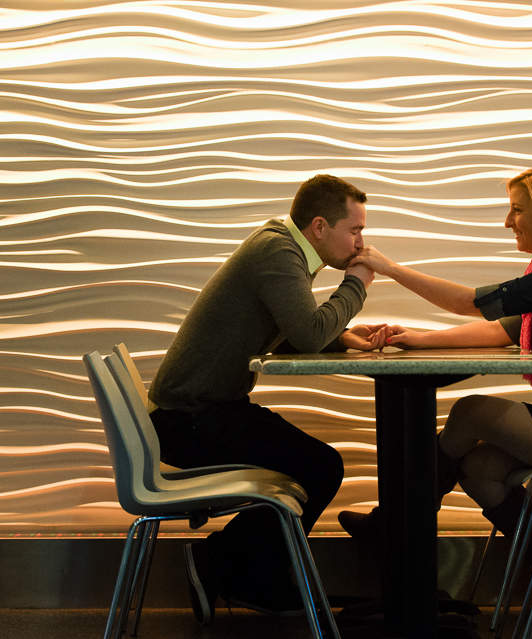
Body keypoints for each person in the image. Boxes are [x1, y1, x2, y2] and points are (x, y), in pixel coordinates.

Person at [339, 165, 532, 619]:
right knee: (481, 466)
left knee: (470, 413)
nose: (508, 221)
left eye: (517, 210)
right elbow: (500, 330)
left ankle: (395, 526)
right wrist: (415, 337)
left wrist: (387, 267)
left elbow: (471, 303)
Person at [148, 174, 387, 625]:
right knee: (321, 467)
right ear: (319, 226)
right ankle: (224, 563)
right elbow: (308, 332)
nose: (360, 243)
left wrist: (343, 340)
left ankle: (247, 574)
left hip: (201, 410)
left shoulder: (281, 245)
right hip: (190, 420)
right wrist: (356, 284)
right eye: (354, 230)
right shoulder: (279, 252)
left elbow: (292, 331)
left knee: (312, 465)